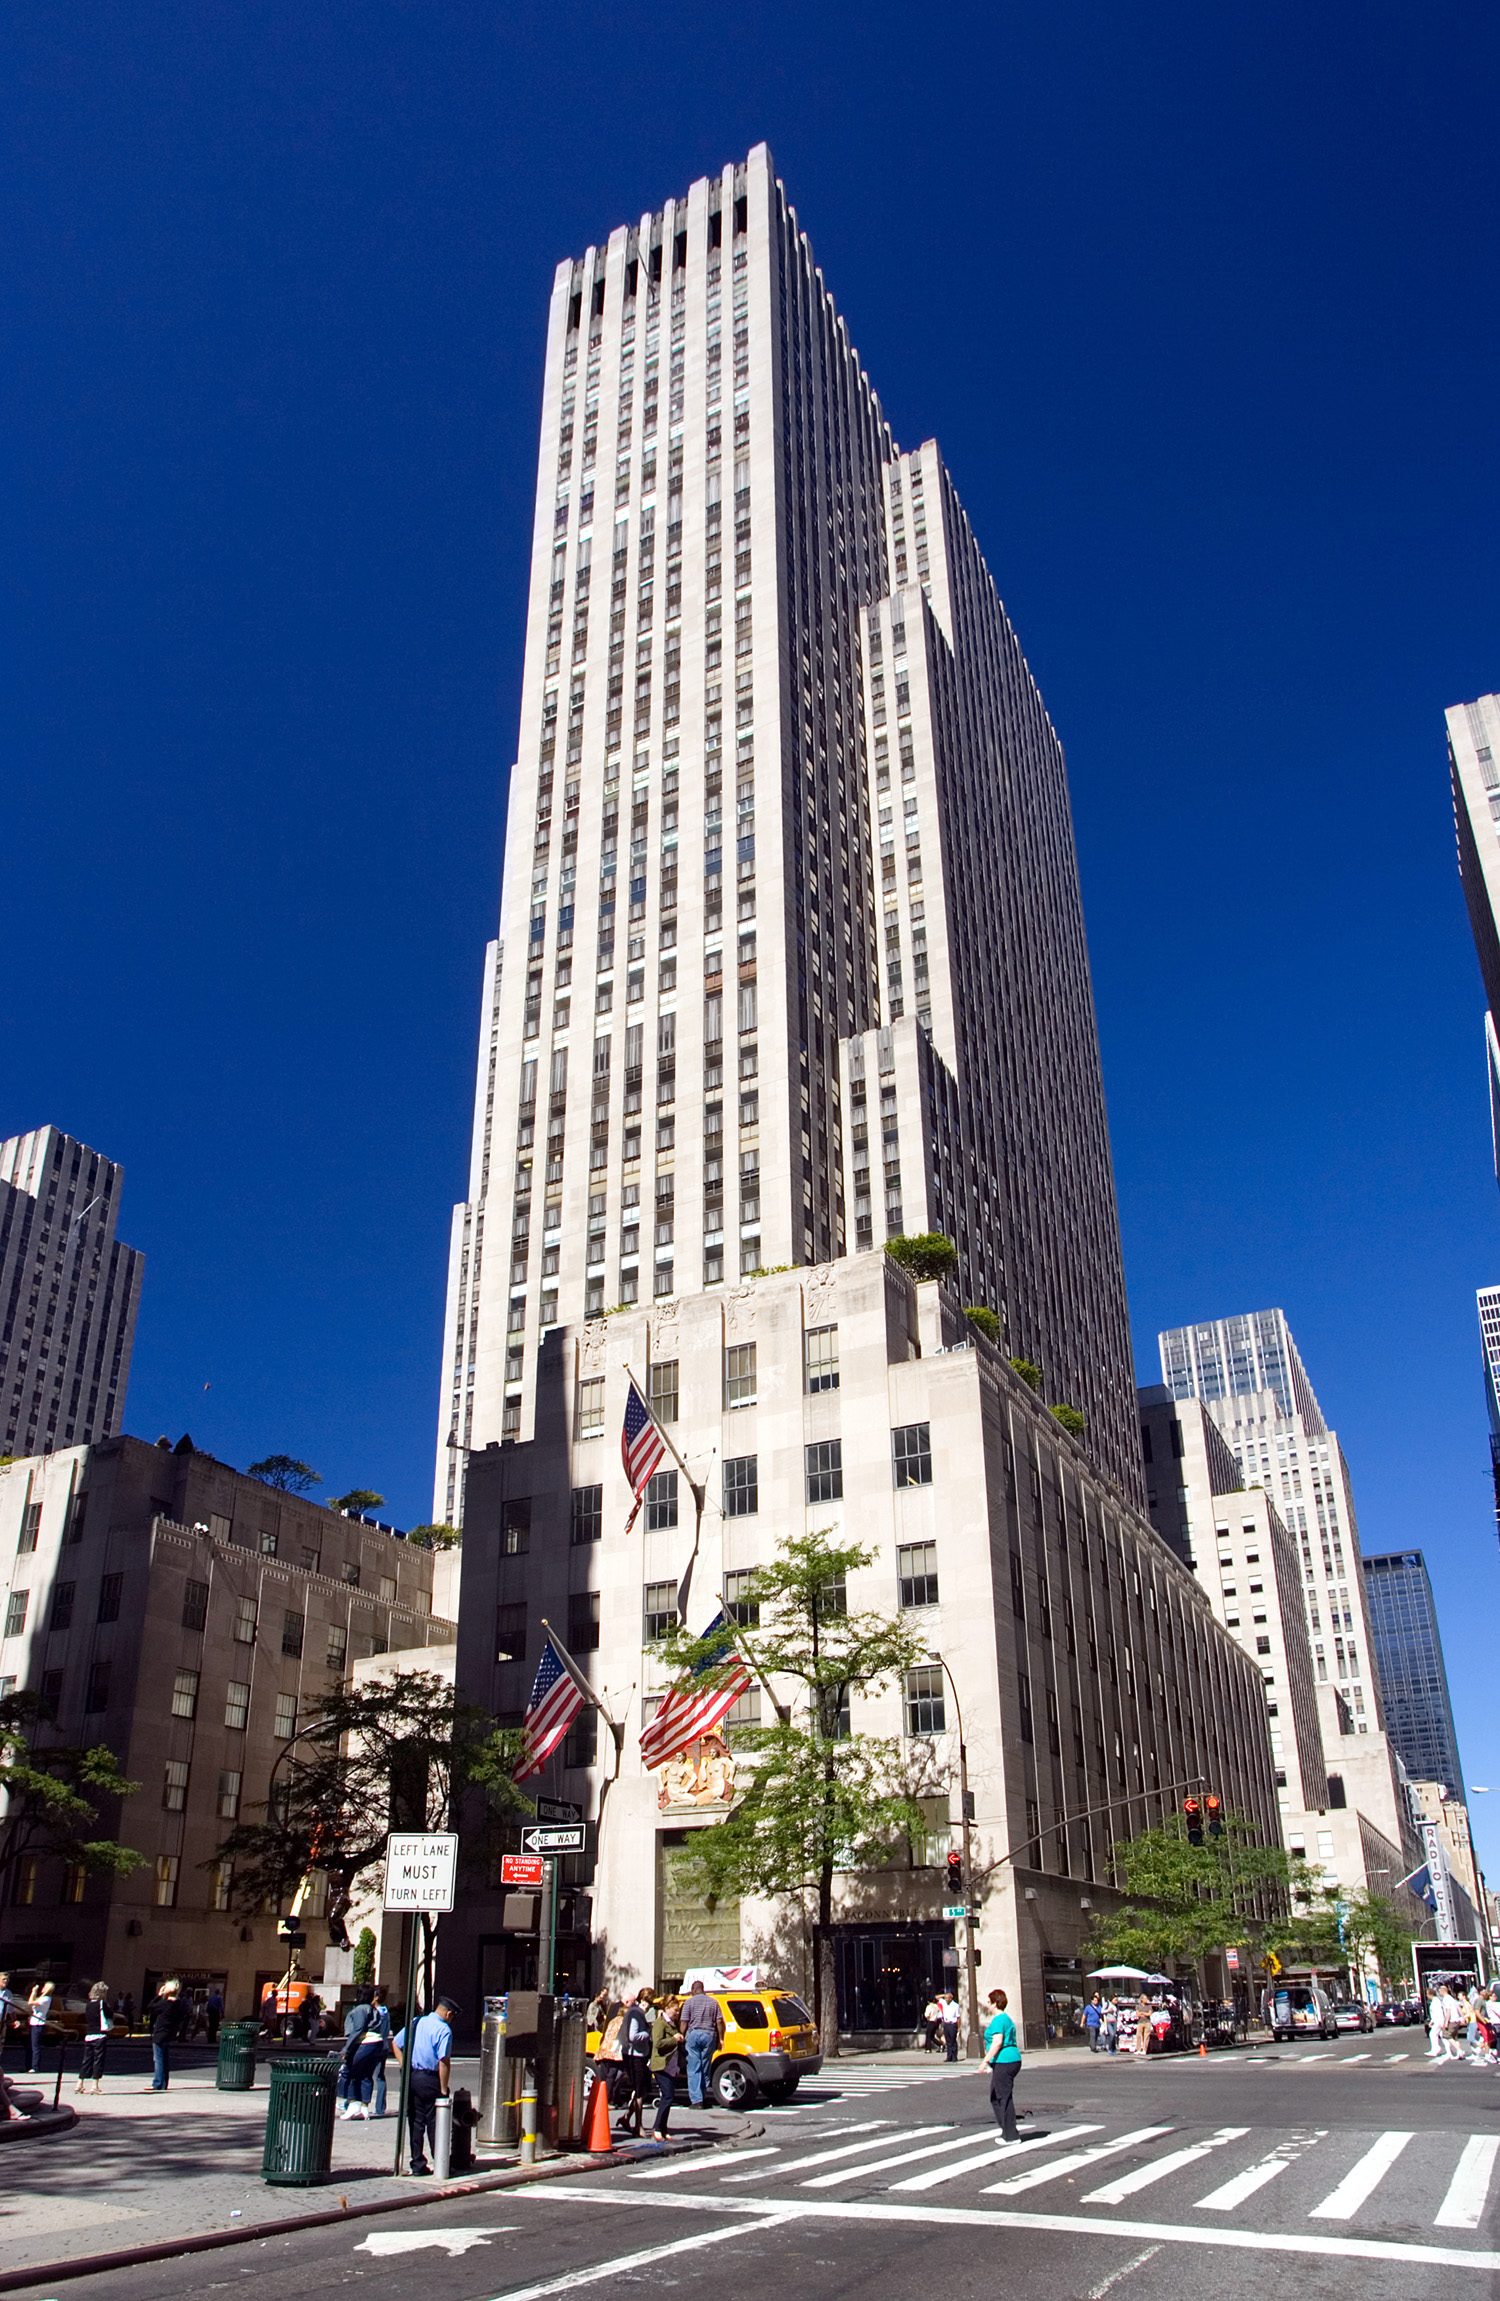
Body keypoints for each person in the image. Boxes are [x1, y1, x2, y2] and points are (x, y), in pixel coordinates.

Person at [391, 1993, 458, 2175]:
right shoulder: (443, 2030)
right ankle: (442, 2162)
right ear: (448, 2014)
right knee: (436, 2121)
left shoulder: (417, 2022)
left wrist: (406, 2066)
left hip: (413, 2076)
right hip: (430, 2079)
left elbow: (396, 2044)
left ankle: (418, 2164)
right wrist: (443, 2090)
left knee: (416, 2121)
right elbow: (443, 2061)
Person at [982, 1987, 1022, 2143]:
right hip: (1010, 2060)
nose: (988, 2005)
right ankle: (1007, 2129)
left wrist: (985, 2060)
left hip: (1004, 2060)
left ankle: (1010, 2135)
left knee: (1003, 2097)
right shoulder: (1006, 2019)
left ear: (994, 2004)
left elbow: (997, 2041)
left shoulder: (999, 2019)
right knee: (996, 2096)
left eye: (989, 2002)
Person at [678, 1980, 725, 2108]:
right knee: (705, 2067)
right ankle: (703, 2097)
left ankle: (696, 2100)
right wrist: (720, 2038)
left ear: (693, 1990)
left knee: (693, 2068)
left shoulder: (688, 2003)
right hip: (709, 2035)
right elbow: (719, 2021)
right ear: (703, 1989)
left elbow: (684, 2022)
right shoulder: (713, 2002)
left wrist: (681, 2035)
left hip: (693, 2035)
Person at [339, 1986, 383, 2120]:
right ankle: (364, 2106)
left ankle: (353, 2104)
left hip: (365, 2043)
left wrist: (346, 2048)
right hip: (378, 2043)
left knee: (352, 2072)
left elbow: (358, 2029)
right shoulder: (374, 2010)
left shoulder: (360, 2009)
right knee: (366, 2075)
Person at [616, 1989, 655, 2136]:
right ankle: (638, 2126)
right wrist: (647, 2033)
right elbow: (633, 2036)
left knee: (643, 2090)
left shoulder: (635, 2012)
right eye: (650, 2004)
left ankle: (626, 2118)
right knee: (639, 2091)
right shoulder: (636, 2013)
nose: (650, 2008)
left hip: (638, 2054)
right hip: (634, 2055)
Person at [649, 1996, 685, 2140]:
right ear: (667, 2008)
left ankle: (663, 2129)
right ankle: (657, 2128)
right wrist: (674, 2039)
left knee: (668, 2097)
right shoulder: (660, 2024)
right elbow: (658, 2044)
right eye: (675, 2010)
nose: (677, 2013)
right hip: (661, 2065)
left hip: (671, 2065)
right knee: (667, 2096)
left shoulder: (671, 2024)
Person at [144, 1979, 187, 2090]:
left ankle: (157, 2083)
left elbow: (150, 2006)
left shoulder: (166, 2003)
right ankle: (163, 2083)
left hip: (160, 2033)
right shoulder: (177, 2003)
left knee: (158, 2059)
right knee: (164, 2059)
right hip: (168, 2033)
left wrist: (159, 1995)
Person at [76, 1982, 112, 2095]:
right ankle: (94, 2086)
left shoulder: (88, 2005)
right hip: (100, 2035)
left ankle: (79, 2083)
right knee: (98, 2060)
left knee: (86, 2060)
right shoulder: (102, 2004)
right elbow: (110, 2014)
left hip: (89, 2034)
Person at [27, 1981, 54, 2073]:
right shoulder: (41, 1998)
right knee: (30, 2046)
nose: (43, 1988)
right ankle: (28, 2065)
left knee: (35, 2047)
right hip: (33, 2023)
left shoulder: (46, 1999)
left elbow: (30, 2002)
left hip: (38, 2024)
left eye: (45, 1987)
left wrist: (33, 1991)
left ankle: (35, 2067)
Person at [941, 1990, 961, 2063]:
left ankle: (954, 2056)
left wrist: (959, 2027)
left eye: (947, 1998)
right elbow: (937, 1998)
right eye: (945, 1998)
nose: (946, 1999)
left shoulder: (955, 2005)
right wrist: (944, 1995)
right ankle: (949, 2056)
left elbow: (958, 2017)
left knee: (953, 2041)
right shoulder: (944, 2004)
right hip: (946, 2024)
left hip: (952, 2024)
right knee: (948, 2041)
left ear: (951, 1998)